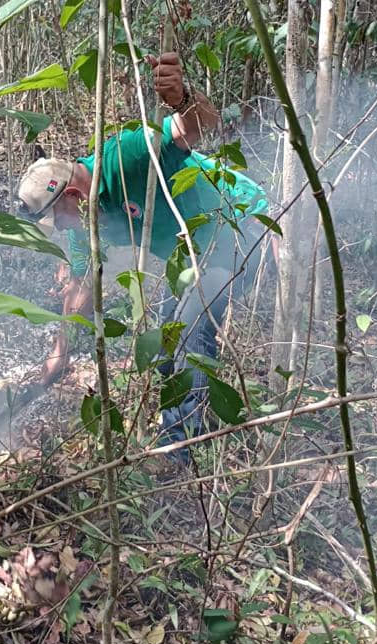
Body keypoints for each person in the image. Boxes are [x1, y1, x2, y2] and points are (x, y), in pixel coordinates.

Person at [17, 51, 268, 460]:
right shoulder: (84, 219)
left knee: (189, 333)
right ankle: (187, 439)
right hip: (185, 255)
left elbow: (202, 123)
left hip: (235, 224)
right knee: (168, 337)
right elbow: (80, 283)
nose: (62, 231)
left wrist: (181, 97)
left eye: (57, 222)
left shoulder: (126, 154)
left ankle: (184, 460)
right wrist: (58, 353)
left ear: (73, 196)